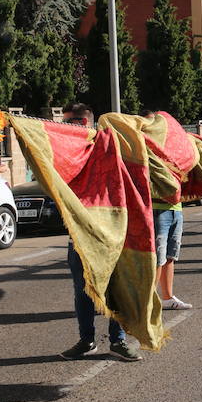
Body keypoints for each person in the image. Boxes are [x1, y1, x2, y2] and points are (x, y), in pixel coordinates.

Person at [59, 103, 142, 362]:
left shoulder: (107, 146)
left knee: (114, 288)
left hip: (109, 232)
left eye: (71, 122)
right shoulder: (68, 152)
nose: (66, 127)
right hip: (80, 234)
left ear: (84, 123)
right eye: (64, 122)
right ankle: (87, 340)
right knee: (82, 291)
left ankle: (117, 341)